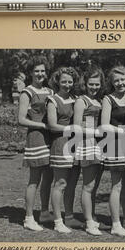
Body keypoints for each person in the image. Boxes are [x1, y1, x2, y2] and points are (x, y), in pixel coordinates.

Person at [17, 55, 54, 231]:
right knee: (35, 179)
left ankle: (45, 212)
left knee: (48, 178)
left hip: (50, 138)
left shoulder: (50, 91)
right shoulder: (27, 92)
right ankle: (29, 218)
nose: (40, 74)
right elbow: (21, 119)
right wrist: (43, 125)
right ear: (31, 72)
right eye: (37, 70)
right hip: (37, 138)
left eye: (43, 71)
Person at [100, 66, 125, 237]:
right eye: (116, 81)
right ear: (112, 83)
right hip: (114, 144)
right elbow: (104, 125)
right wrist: (124, 132)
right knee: (117, 186)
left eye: (122, 79)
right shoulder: (108, 99)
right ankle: (115, 224)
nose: (120, 83)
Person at [46, 67, 80, 233]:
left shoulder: (76, 99)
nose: (67, 84)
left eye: (70, 81)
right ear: (57, 82)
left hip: (75, 144)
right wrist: (71, 129)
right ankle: (58, 221)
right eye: (64, 81)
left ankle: (69, 217)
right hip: (60, 143)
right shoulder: (53, 100)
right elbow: (52, 126)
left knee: (72, 184)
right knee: (60, 183)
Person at [73, 65, 105, 236]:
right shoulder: (81, 101)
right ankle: (88, 222)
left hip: (99, 144)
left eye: (97, 84)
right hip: (87, 144)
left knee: (95, 185)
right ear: (85, 84)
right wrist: (96, 130)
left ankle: (91, 216)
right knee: (88, 185)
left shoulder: (99, 101)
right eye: (91, 84)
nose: (94, 87)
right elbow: (77, 126)